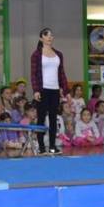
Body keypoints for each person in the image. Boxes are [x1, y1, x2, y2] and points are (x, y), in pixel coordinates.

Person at [31, 27, 69, 155]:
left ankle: (52, 146)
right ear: (41, 38)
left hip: (55, 90)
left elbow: (61, 73)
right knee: (41, 118)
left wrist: (65, 89)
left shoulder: (59, 54)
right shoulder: (36, 54)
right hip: (43, 90)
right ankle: (41, 147)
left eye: (51, 35)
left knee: (53, 118)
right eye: (46, 35)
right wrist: (36, 90)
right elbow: (34, 74)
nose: (49, 37)